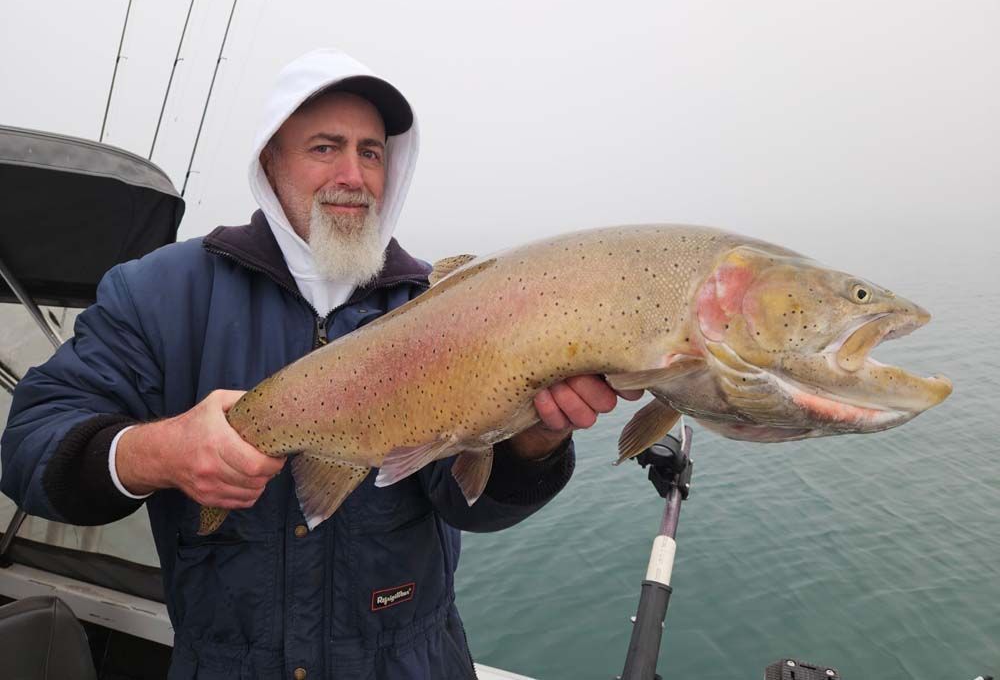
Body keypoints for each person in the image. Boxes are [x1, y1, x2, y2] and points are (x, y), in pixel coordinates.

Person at [1, 49, 639, 679]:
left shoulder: (442, 309)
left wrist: (535, 439)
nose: (353, 176)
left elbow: (469, 505)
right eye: (324, 147)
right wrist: (157, 452)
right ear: (270, 159)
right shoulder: (160, 293)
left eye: (371, 152)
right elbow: (27, 446)